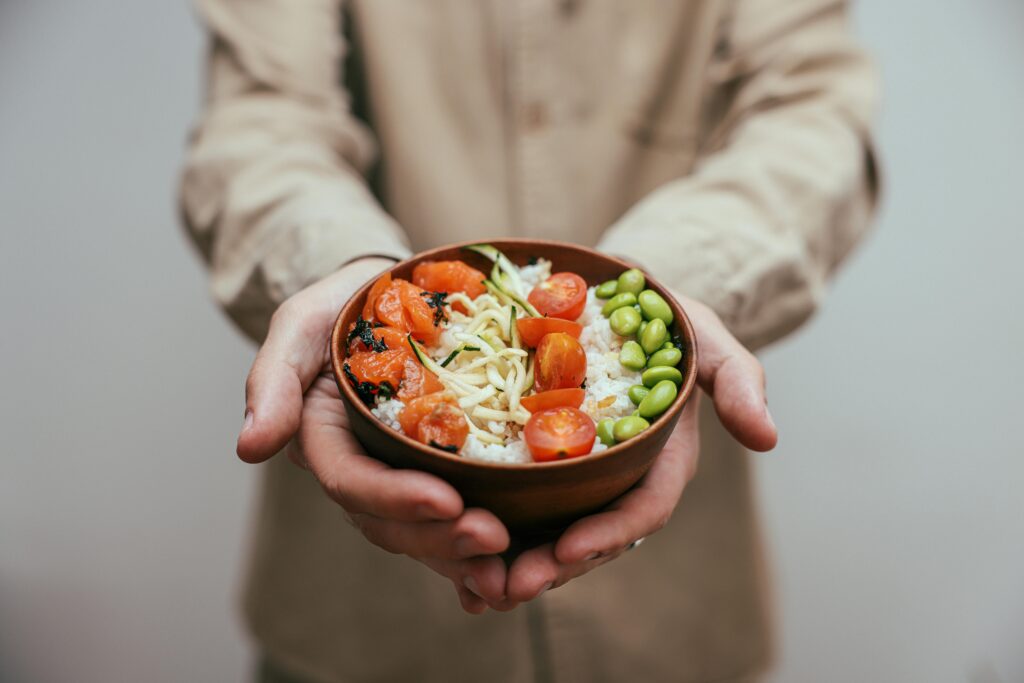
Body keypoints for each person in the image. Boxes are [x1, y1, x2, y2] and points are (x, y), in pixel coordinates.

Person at [180, 1, 878, 681]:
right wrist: (343, 270)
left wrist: (666, 285)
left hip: (672, 616)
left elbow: (812, 117)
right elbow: (261, 124)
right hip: (360, 619)